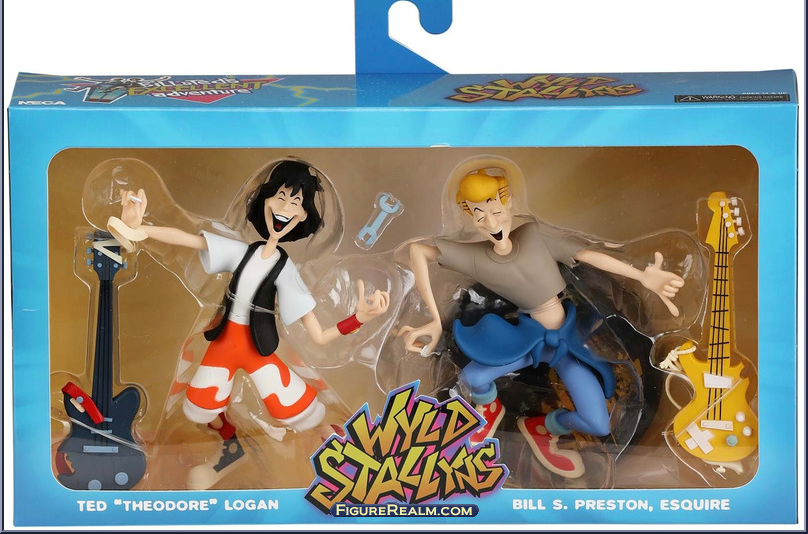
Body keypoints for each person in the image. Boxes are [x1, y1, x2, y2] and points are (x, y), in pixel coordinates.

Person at [111, 160, 389, 488]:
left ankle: (333, 446)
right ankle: (232, 448)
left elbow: (318, 334)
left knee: (297, 411)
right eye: (280, 197)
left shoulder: (287, 271)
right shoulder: (240, 251)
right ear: (265, 199)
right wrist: (139, 230)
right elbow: (188, 239)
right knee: (197, 407)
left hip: (260, 349)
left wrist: (358, 318)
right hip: (224, 342)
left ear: (304, 217)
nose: (285, 209)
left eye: (296, 203)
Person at [398, 168, 683, 478]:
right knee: (472, 378)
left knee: (598, 423)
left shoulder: (534, 236)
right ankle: (490, 408)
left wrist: (641, 275)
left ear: (508, 205)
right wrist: (435, 319)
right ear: (470, 218)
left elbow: (587, 254)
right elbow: (418, 250)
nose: (491, 224)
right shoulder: (477, 258)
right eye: (480, 217)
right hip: (530, 339)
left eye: (496, 212)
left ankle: (544, 428)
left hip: (567, 343)